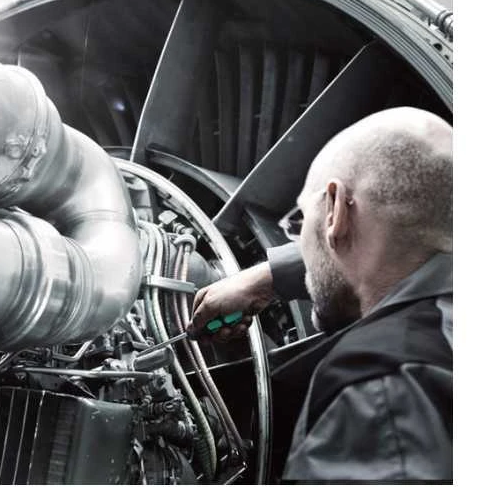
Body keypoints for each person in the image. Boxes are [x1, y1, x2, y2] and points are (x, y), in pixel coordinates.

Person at [187, 106, 452, 482]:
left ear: (335, 210)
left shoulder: (380, 392)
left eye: (299, 221)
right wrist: (269, 277)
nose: (300, 240)